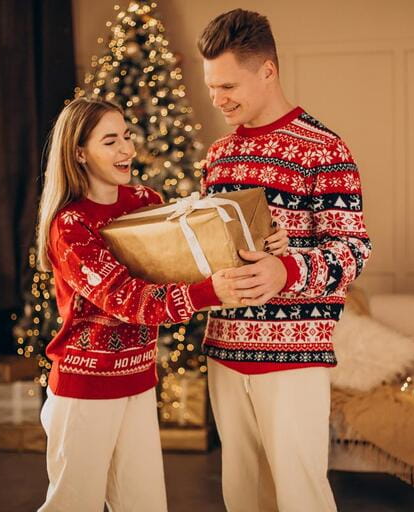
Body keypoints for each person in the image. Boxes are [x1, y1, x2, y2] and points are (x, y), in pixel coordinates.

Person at [33, 97, 287, 511]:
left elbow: (185, 261)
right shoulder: (70, 224)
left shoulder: (143, 202)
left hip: (137, 378)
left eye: (127, 137)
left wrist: (264, 243)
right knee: (72, 505)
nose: (126, 150)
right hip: (85, 389)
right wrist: (212, 292)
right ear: (79, 153)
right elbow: (127, 299)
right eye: (110, 141)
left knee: (144, 503)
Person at [197, 9, 373, 512]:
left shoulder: (324, 149)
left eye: (228, 84)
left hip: (292, 359)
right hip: (225, 350)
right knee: (242, 496)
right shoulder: (218, 157)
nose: (218, 98)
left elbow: (354, 249)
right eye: (212, 86)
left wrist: (288, 269)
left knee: (301, 496)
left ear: (268, 71)